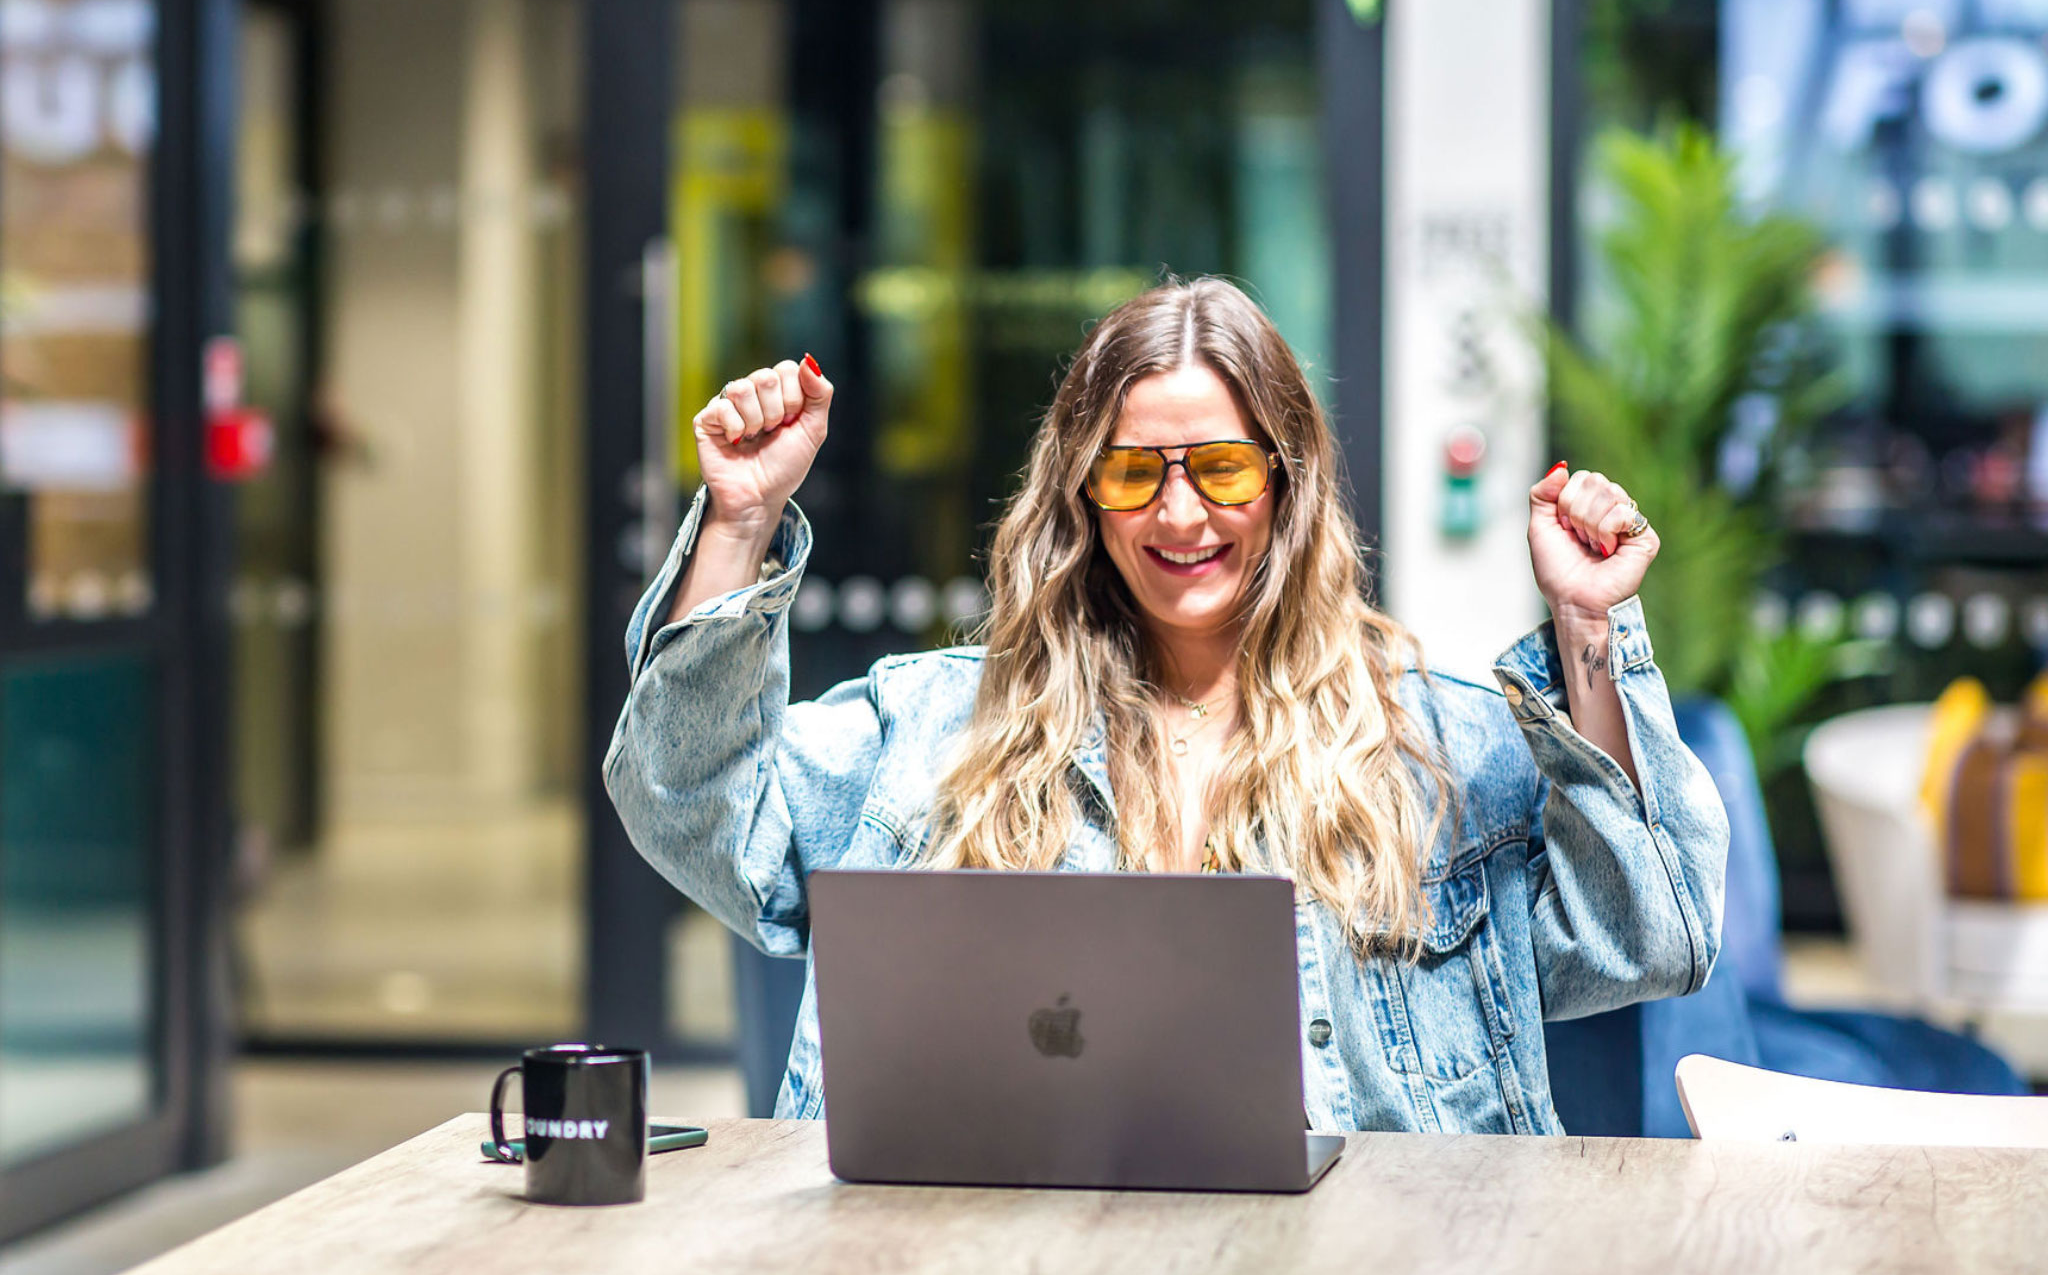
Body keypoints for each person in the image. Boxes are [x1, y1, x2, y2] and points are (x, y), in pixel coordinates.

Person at [606, 276, 1727, 1134]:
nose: (1179, 513)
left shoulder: (1430, 746)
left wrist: (1586, 624)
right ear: (1084, 498)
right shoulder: (945, 731)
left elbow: (1649, 934)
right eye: (1134, 471)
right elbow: (698, 811)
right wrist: (739, 523)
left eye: (1222, 468)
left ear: (1285, 482)